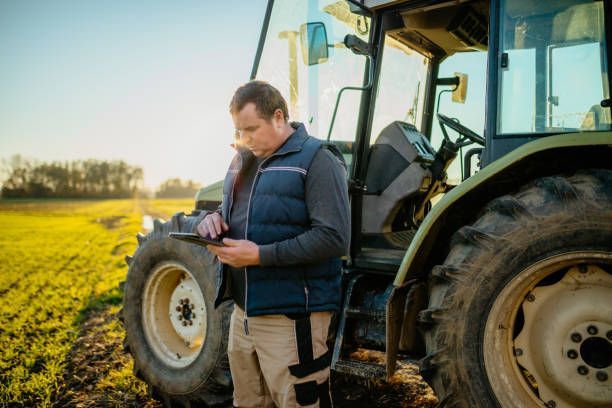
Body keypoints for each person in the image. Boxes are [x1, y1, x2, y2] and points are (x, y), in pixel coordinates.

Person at [197, 80, 350, 408]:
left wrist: (261, 256)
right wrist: (211, 221)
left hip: (293, 318)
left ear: (278, 117)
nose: (244, 139)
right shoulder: (241, 161)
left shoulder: (317, 160)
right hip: (244, 315)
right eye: (239, 130)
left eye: (251, 129)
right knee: (248, 402)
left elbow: (334, 238)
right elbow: (231, 214)